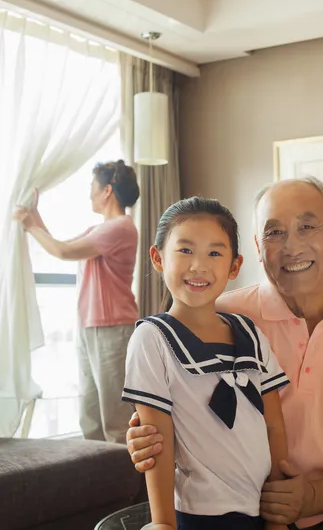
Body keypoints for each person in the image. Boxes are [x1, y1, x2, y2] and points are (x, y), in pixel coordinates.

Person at [126, 178, 323, 530]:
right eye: (274, 233)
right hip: (220, 510)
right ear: (257, 247)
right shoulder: (215, 314)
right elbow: (161, 401)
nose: (292, 246)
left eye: (307, 227)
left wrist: (311, 498)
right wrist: (147, 435)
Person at [122, 196, 290, 530]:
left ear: (234, 266)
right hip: (202, 515)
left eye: (214, 253)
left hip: (262, 509)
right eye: (185, 250)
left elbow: (273, 426)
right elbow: (157, 437)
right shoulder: (152, 338)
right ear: (157, 258)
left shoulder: (251, 334)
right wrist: (163, 523)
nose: (199, 265)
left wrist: (277, 516)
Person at [14, 159, 140, 444]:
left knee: (116, 421)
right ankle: (97, 482)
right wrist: (34, 216)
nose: (89, 194)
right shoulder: (101, 230)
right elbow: (59, 243)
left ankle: (126, 487)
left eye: (92, 188)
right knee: (90, 416)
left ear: (107, 191)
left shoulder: (119, 228)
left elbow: (62, 251)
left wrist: (30, 225)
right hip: (91, 327)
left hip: (112, 329)